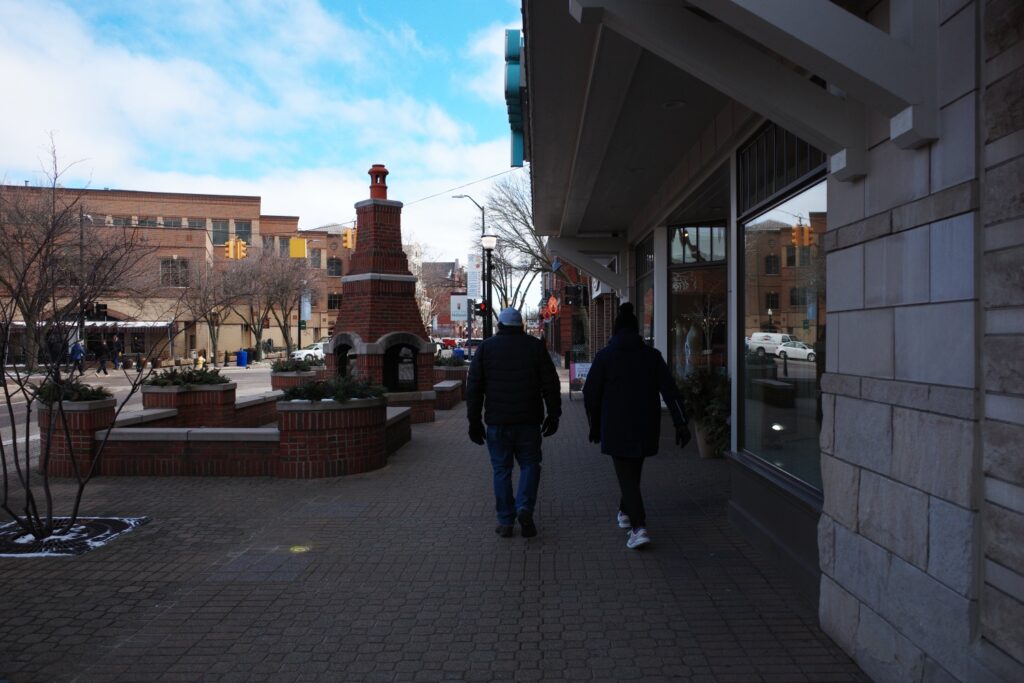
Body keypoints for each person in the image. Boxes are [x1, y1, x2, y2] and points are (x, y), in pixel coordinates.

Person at [583, 302, 690, 550]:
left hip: (616, 425)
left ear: (615, 330)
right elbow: (670, 391)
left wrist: (594, 424)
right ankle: (625, 511)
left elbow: (590, 394)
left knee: (627, 476)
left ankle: (638, 527)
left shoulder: (605, 357)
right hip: (646, 424)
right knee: (633, 473)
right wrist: (680, 422)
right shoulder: (651, 356)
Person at [466, 307, 561, 538]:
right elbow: (551, 382)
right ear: (520, 326)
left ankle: (506, 521)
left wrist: (474, 421)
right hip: (529, 421)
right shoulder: (535, 347)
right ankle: (525, 507)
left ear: (499, 326)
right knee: (530, 465)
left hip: (498, 423)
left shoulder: (486, 348)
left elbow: (474, 388)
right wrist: (554, 414)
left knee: (501, 470)